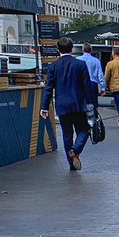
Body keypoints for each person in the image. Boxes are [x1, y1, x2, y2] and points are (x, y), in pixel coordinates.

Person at [40, 36, 97, 171]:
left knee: (67, 134)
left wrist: (44, 107)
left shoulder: (53, 66)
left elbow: (49, 88)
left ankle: (72, 163)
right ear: (72, 49)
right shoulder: (80, 65)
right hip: (79, 105)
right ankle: (75, 150)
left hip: (62, 106)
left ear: (58, 49)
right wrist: (91, 104)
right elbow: (87, 87)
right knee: (84, 130)